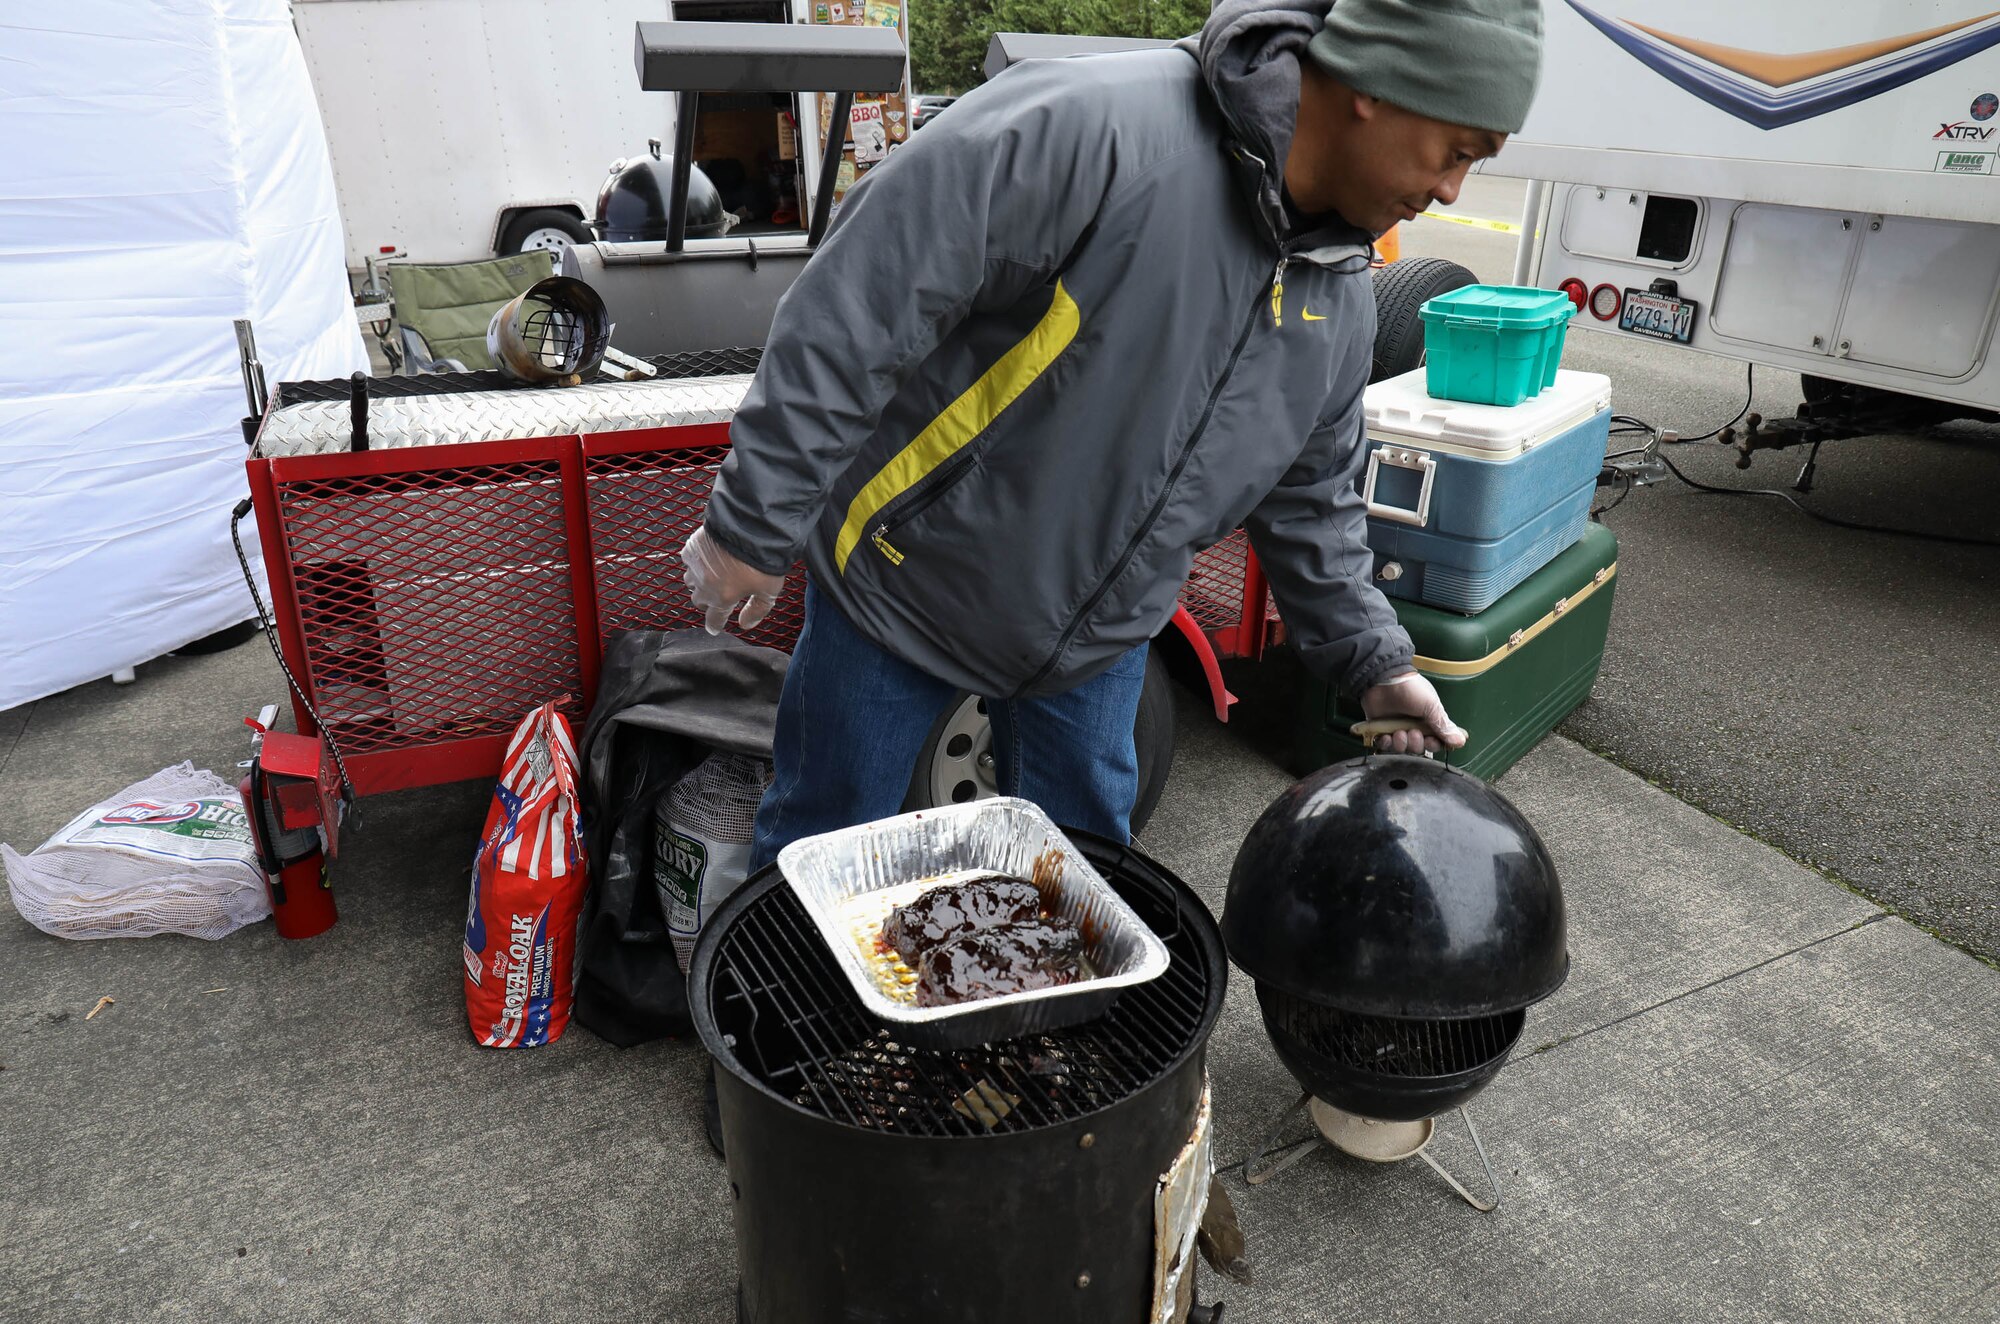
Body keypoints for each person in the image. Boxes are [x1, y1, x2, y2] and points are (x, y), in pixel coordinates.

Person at [682, 0, 1543, 872]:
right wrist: (754, 525)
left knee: (1076, 883)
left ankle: (1038, 1015)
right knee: (816, 861)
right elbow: (858, 304)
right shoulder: (1092, 131)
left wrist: (1374, 661)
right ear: (1381, 85)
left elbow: (1314, 496)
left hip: (1100, 637)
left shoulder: (1343, 288)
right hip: (905, 590)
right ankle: (786, 1014)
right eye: (1458, 152)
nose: (1449, 192)